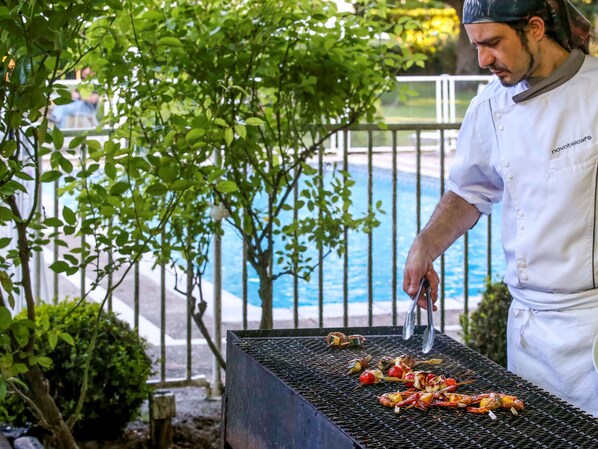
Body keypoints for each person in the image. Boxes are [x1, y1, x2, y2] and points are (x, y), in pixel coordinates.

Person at [402, 0, 597, 417]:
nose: (482, 59)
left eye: (492, 43)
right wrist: (425, 244)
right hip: (528, 332)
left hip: (591, 329)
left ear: (536, 28)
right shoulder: (491, 104)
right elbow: (468, 191)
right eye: (475, 45)